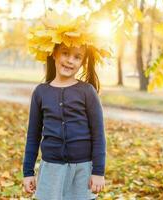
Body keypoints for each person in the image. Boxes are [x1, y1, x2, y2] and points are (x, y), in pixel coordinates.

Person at [22, 10, 112, 200]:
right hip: (51, 168)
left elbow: (98, 135)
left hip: (82, 170)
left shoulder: (87, 92)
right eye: (65, 53)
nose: (70, 60)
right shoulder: (40, 92)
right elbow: (33, 135)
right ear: (54, 53)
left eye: (77, 57)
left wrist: (98, 171)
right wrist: (28, 171)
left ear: (82, 62)